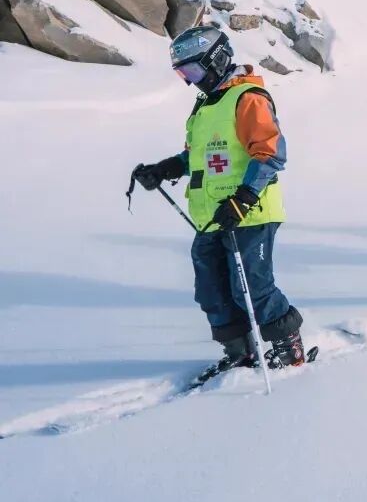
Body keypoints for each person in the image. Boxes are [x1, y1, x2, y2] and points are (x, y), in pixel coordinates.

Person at [131, 26, 307, 375]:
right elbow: (196, 156)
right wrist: (165, 168)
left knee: (252, 288)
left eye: (194, 71)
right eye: (184, 74)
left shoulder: (248, 98)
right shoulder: (205, 106)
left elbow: (271, 153)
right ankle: (240, 352)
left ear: (217, 60)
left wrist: (244, 198)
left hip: (250, 213)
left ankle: (289, 347)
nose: (192, 81)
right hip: (212, 215)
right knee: (211, 288)